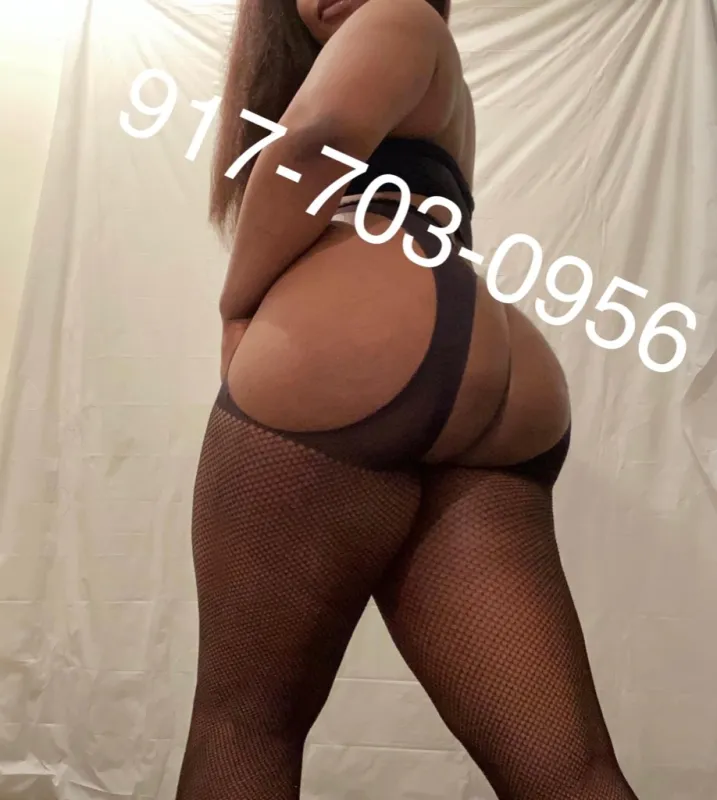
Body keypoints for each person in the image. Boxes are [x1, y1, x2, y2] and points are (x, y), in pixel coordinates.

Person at [175, 0, 640, 797]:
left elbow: (313, 143)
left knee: (243, 724)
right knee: (566, 768)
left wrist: (236, 305)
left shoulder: (400, 17)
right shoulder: (414, 63)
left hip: (372, 338)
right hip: (498, 380)